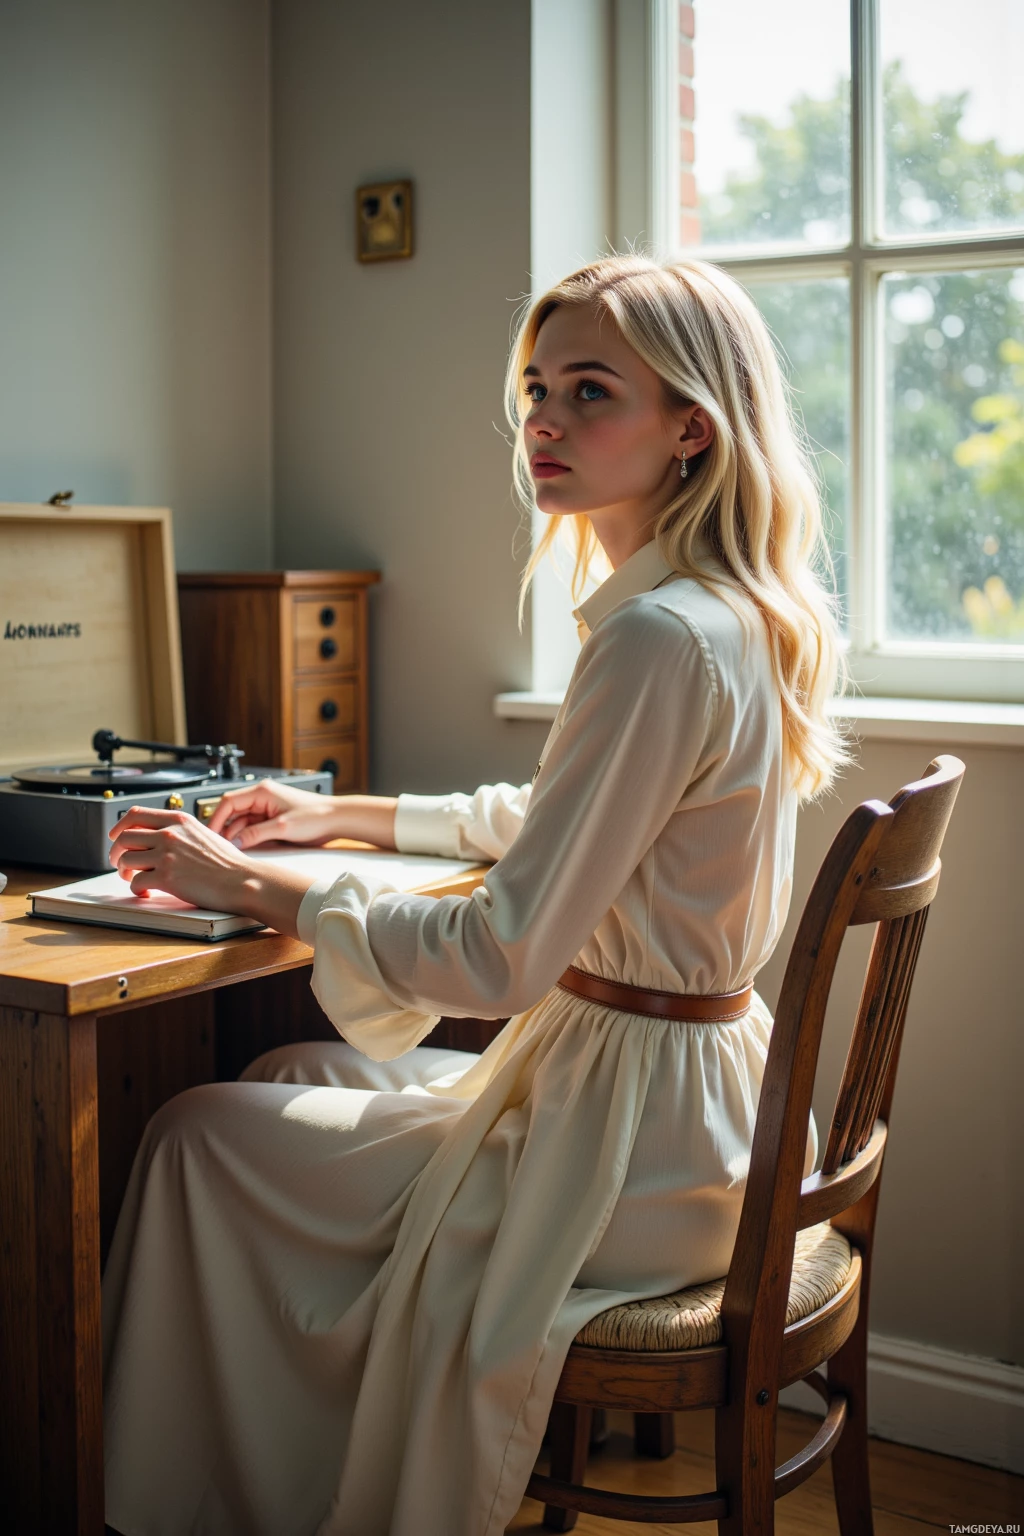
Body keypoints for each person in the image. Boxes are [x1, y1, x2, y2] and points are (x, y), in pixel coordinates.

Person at [101, 254, 848, 1536]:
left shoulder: (659, 637)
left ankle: (174, 1503)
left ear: (691, 429)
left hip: (625, 1151)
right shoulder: (727, 613)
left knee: (192, 1135)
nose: (544, 423)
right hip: (703, 1111)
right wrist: (351, 814)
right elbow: (575, 823)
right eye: (535, 390)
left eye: (590, 393)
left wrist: (257, 887)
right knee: (291, 1062)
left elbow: (502, 959)